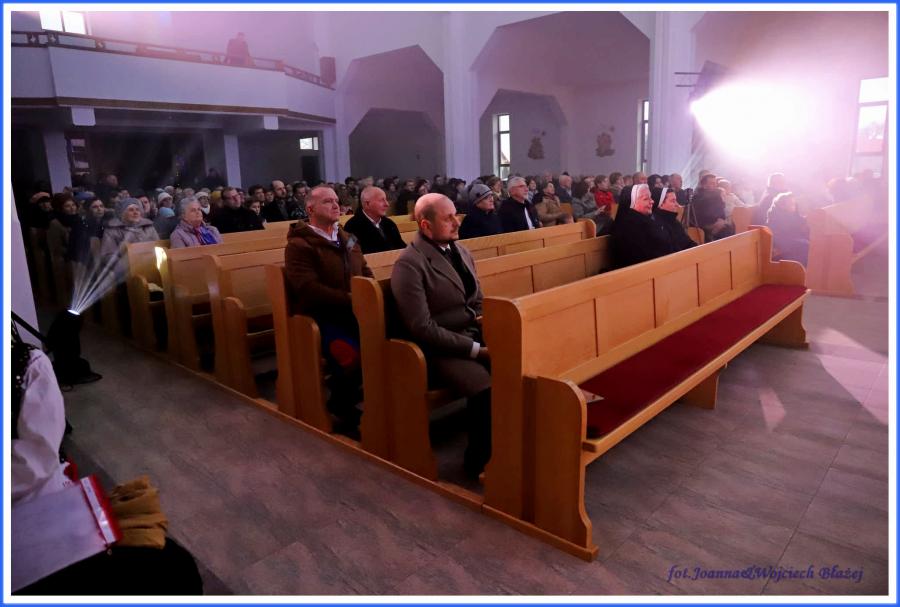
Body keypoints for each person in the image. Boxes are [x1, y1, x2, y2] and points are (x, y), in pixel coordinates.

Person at [390, 194, 491, 478]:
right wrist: (476, 349)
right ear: (425, 225)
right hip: (438, 348)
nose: (456, 222)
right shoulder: (410, 264)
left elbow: (478, 300)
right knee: (487, 389)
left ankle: (510, 446)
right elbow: (421, 327)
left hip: (472, 333)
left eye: (455, 215)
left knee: (518, 367)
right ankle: (478, 461)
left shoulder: (462, 251)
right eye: (448, 218)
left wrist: (490, 330)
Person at [283, 187, 373, 437]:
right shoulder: (300, 244)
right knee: (351, 355)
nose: (336, 205)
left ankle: (370, 404)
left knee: (384, 343)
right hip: (321, 317)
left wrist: (370, 293)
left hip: (354, 312)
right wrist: (350, 299)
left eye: (336, 201)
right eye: (327, 201)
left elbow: (364, 270)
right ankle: (342, 406)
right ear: (310, 209)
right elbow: (307, 288)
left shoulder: (349, 238)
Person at [610, 184, 671, 269]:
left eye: (650, 198)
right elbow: (643, 258)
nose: (652, 201)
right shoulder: (628, 227)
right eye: (646, 199)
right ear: (632, 203)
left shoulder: (645, 220)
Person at [343, 186, 406, 253]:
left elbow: (402, 247)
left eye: (386, 200)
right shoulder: (352, 226)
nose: (387, 204)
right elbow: (350, 252)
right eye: (381, 200)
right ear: (367, 204)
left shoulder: (389, 224)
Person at [100, 198, 159, 263]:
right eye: (131, 210)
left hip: (151, 263)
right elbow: (108, 255)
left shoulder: (148, 227)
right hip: (125, 267)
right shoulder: (112, 230)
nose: (135, 212)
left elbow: (158, 247)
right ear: (122, 213)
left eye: (137, 209)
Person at [766, 192, 809, 265]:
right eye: (791, 204)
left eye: (794, 204)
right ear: (783, 205)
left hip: (791, 238)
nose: (794, 206)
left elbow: (798, 220)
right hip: (781, 241)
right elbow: (784, 231)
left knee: (809, 241)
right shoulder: (776, 215)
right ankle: (802, 266)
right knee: (805, 245)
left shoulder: (791, 213)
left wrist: (805, 220)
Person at [651, 187, 697, 254]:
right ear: (661, 204)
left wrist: (698, 249)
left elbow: (687, 242)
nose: (677, 204)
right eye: (673, 201)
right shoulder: (657, 225)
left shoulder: (674, 220)